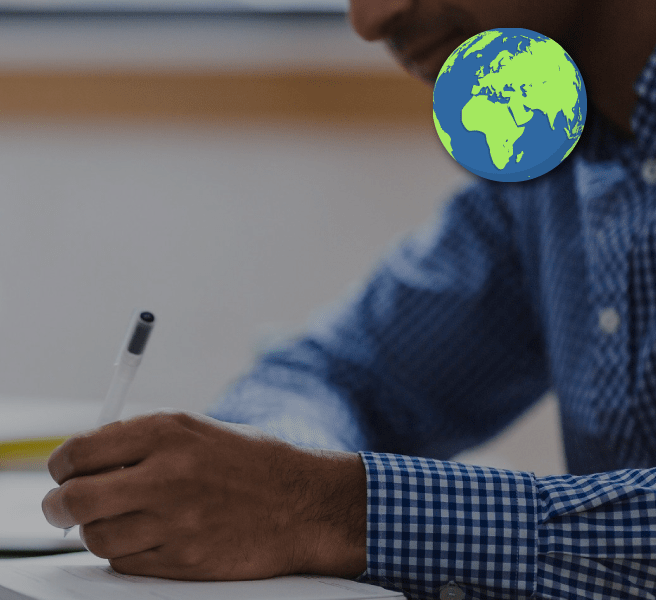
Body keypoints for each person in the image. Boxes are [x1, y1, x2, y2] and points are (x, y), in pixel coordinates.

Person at [40, 2, 656, 599]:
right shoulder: (548, 168)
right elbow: (343, 374)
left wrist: (328, 508)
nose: (368, 20)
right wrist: (270, 474)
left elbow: (317, 494)